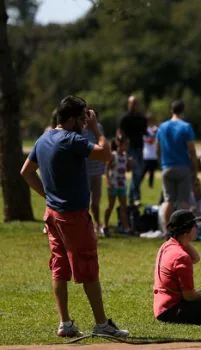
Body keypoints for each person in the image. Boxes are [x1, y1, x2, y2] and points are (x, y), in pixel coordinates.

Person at [20, 95, 128, 338]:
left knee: (59, 266)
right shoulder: (72, 140)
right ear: (73, 119)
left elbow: (26, 172)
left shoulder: (44, 138)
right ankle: (102, 324)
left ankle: (65, 323)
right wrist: (95, 127)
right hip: (74, 216)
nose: (84, 122)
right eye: (82, 118)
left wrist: (46, 196)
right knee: (88, 266)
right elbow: (106, 155)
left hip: (53, 214)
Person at [157, 100, 198, 233]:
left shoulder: (162, 127)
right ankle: (184, 231)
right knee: (183, 202)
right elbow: (191, 150)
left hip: (166, 166)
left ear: (171, 110)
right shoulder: (186, 127)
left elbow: (158, 148)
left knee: (168, 200)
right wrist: (195, 170)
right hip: (183, 167)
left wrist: (161, 163)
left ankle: (167, 231)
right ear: (183, 111)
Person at [118, 96, 147, 205]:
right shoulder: (125, 118)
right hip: (130, 148)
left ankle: (131, 196)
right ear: (128, 104)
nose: (133, 105)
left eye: (135, 103)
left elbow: (144, 131)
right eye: (132, 103)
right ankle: (135, 197)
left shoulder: (141, 118)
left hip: (140, 147)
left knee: (138, 173)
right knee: (137, 171)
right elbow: (120, 132)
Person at [102, 136, 133, 236]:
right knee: (110, 206)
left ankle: (126, 228)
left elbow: (127, 170)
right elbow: (106, 169)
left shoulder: (125, 156)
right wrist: (108, 182)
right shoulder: (113, 155)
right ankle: (105, 226)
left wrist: (130, 163)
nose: (127, 147)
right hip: (113, 184)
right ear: (120, 144)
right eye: (126, 144)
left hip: (122, 185)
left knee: (123, 207)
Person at [82, 111, 106, 235]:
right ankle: (85, 226)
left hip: (97, 171)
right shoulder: (80, 130)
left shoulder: (99, 128)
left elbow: (104, 146)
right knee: (84, 203)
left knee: (95, 203)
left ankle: (97, 223)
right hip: (85, 171)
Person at [141, 113, 159, 189]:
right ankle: (138, 182)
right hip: (146, 154)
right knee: (143, 171)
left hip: (154, 154)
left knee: (152, 172)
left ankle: (150, 185)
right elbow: (146, 140)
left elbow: (156, 139)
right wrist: (151, 139)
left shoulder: (156, 129)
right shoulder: (144, 129)